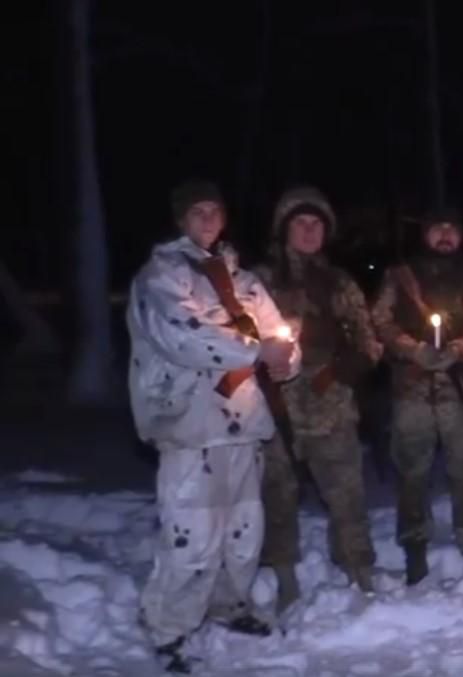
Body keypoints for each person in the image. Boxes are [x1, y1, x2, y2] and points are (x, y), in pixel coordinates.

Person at [127, 179, 300, 673]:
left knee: (244, 527)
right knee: (192, 529)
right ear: (182, 219)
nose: (207, 220)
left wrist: (288, 359)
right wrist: (253, 350)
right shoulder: (162, 276)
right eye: (197, 212)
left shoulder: (242, 280)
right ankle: (170, 627)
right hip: (191, 423)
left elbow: (276, 329)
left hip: (244, 421)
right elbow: (183, 336)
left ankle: (231, 603)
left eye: (214, 211)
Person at [254, 186, 382, 611]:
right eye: (300, 223)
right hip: (274, 405)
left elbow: (369, 343)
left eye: (316, 224)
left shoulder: (340, 282)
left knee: (347, 492)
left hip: (330, 406)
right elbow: (235, 340)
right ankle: (284, 574)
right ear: (284, 229)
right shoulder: (259, 282)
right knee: (278, 492)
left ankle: (357, 568)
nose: (309, 231)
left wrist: (339, 371)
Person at [370, 207, 463, 584]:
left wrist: (459, 350)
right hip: (412, 390)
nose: (445, 234)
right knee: (412, 471)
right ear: (426, 233)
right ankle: (414, 546)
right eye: (437, 228)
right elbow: (380, 321)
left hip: (460, 392)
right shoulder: (400, 278)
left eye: (452, 228)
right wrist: (413, 349)